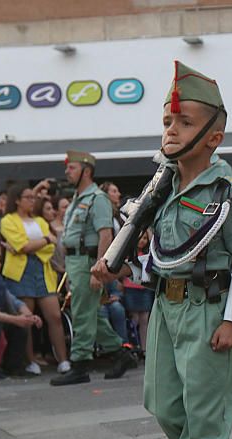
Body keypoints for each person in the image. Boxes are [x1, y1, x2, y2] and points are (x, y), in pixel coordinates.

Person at [92, 61, 232, 439]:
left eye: (185, 122)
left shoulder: (223, 191)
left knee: (204, 411)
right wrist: (114, 268)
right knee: (164, 403)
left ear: (214, 137)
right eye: (168, 121)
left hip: (209, 309)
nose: (172, 130)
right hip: (166, 308)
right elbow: (153, 250)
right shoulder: (162, 186)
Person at [50, 151, 135, 386]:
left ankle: (80, 365)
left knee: (81, 314)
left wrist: (99, 269)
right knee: (91, 314)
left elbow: (105, 235)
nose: (67, 171)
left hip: (87, 262)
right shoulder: (78, 198)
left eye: (72, 168)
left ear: (86, 171)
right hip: (76, 262)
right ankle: (120, 353)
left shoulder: (96, 198)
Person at [0, 185, 70, 375]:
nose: (32, 200)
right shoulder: (8, 220)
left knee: (54, 316)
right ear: (17, 200)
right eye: (28, 197)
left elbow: (49, 247)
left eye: (33, 197)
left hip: (42, 269)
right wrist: (44, 241)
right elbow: (22, 245)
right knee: (27, 318)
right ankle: (30, 361)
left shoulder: (39, 220)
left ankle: (63, 360)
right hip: (20, 273)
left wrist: (34, 245)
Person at [0, 247, 43, 381]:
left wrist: (27, 314)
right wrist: (14, 319)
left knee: (19, 328)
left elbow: (10, 298)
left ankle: (12, 367)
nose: (0, 264)